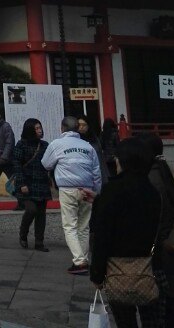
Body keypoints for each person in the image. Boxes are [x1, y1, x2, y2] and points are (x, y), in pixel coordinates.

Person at [90, 137, 163, 328]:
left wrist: (97, 273)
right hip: (148, 266)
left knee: (125, 320)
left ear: (123, 161)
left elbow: (101, 236)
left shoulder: (112, 191)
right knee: (152, 319)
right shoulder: (152, 192)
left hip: (117, 267)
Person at [42, 115, 102, 275]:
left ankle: (79, 261)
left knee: (70, 226)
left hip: (67, 189)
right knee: (83, 226)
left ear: (62, 128)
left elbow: (46, 164)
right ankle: (83, 259)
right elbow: (96, 172)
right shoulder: (88, 146)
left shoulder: (56, 144)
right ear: (78, 129)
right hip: (87, 188)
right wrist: (96, 191)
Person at [143, 134, 174, 328]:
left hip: (160, 247)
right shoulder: (162, 171)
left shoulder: (152, 178)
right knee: (170, 302)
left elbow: (156, 217)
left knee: (163, 305)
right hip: (169, 246)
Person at [10, 118, 50, 252]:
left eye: (40, 128)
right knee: (31, 210)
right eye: (37, 128)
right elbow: (16, 165)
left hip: (42, 183)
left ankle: (39, 242)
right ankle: (23, 234)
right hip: (26, 183)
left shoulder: (45, 145)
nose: (40, 130)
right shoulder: (21, 145)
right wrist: (21, 184)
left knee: (41, 214)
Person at [77, 117, 108, 186]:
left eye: (84, 125)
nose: (81, 127)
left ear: (88, 126)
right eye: (79, 125)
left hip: (96, 173)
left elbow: (99, 158)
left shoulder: (94, 139)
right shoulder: (74, 140)